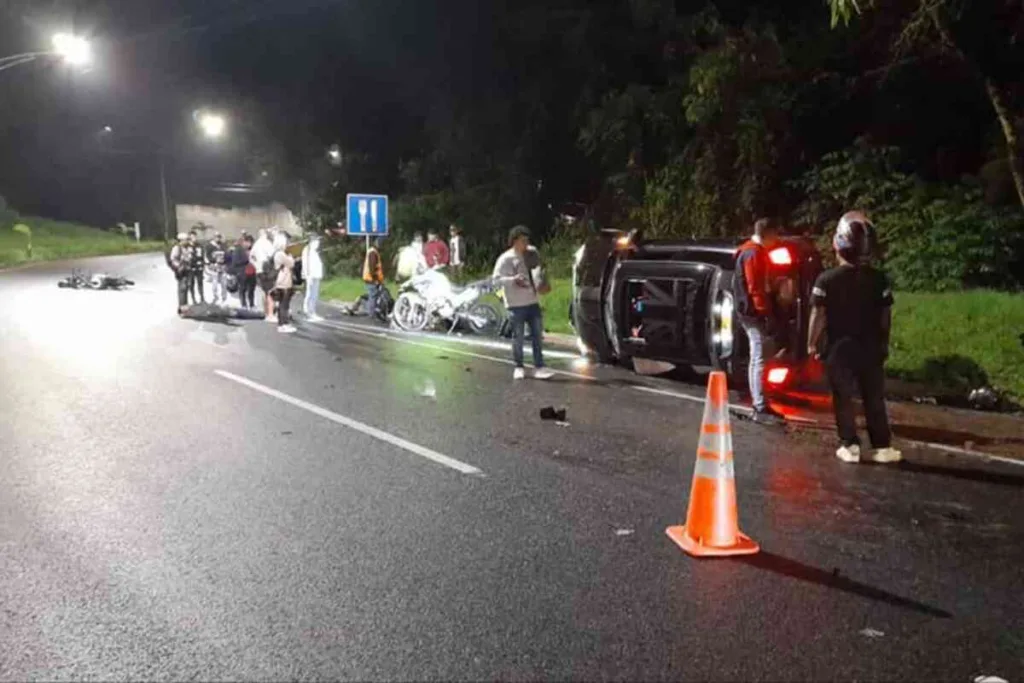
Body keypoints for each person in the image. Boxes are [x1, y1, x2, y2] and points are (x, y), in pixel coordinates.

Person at [808, 211, 901, 464]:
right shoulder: (878, 278)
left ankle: (850, 444)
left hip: (839, 347)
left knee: (843, 395)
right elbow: (885, 315)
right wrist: (883, 342)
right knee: (874, 395)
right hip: (871, 346)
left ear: (839, 244)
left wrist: (812, 343)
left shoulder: (826, 280)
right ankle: (882, 445)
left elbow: (819, 314)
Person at [734, 217, 786, 425]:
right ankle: (760, 406)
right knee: (759, 357)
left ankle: (761, 403)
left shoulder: (750, 250)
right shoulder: (754, 253)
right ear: (768, 233)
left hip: (748, 310)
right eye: (776, 235)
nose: (777, 239)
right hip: (753, 312)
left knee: (760, 355)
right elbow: (755, 287)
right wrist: (765, 313)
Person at [492, 225, 554, 380]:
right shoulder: (505, 259)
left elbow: (539, 271)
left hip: (532, 301)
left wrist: (543, 282)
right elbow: (495, 280)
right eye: (522, 240)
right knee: (518, 337)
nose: (525, 243)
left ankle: (539, 366)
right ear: (514, 242)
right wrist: (513, 280)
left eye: (527, 240)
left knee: (537, 335)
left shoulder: (532, 253)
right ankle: (519, 366)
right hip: (515, 305)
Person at [270, 232, 297, 333]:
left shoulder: (278, 253)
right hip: (283, 281)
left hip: (282, 280)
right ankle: (282, 324)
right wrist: (291, 256)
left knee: (283, 304)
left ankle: (284, 323)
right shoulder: (280, 254)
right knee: (283, 305)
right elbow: (291, 264)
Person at [250, 228, 277, 322]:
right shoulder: (267, 243)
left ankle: (265, 313)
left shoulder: (256, 244)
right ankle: (270, 314)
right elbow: (273, 255)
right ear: (265, 234)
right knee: (270, 291)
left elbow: (251, 257)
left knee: (263, 292)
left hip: (259, 270)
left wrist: (256, 265)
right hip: (267, 270)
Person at [301, 234, 324, 320]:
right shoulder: (307, 251)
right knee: (310, 294)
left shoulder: (313, 251)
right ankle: (309, 312)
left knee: (314, 295)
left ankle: (312, 311)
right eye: (316, 241)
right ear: (312, 241)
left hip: (316, 275)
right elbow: (306, 264)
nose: (318, 243)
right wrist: (308, 276)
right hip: (311, 276)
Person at [168, 232, 191, 314]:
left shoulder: (186, 248)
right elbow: (173, 259)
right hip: (181, 271)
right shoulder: (177, 248)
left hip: (187, 270)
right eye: (186, 239)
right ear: (181, 240)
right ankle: (182, 308)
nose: (188, 241)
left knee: (185, 288)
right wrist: (179, 266)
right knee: (182, 288)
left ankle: (184, 306)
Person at [363, 237, 385, 319]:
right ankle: (371, 314)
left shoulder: (372, 251)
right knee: (373, 296)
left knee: (372, 296)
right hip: (371, 279)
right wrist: (375, 280)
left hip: (370, 278)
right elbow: (372, 267)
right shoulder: (373, 253)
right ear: (376, 243)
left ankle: (371, 311)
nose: (381, 245)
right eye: (380, 243)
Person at [205, 232, 228, 305]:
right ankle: (215, 296)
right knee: (214, 282)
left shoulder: (223, 245)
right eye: (216, 237)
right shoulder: (209, 246)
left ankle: (224, 297)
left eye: (219, 237)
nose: (218, 238)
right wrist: (212, 262)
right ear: (214, 237)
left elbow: (226, 255)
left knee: (224, 283)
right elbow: (207, 256)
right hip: (214, 266)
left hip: (222, 266)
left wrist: (225, 262)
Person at [186, 231, 205, 304]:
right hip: (190, 267)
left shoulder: (199, 245)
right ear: (190, 237)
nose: (194, 238)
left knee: (200, 283)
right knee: (191, 284)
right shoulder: (187, 246)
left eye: (195, 236)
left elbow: (202, 255)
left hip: (199, 267)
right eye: (192, 236)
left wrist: (203, 265)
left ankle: (202, 298)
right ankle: (193, 299)